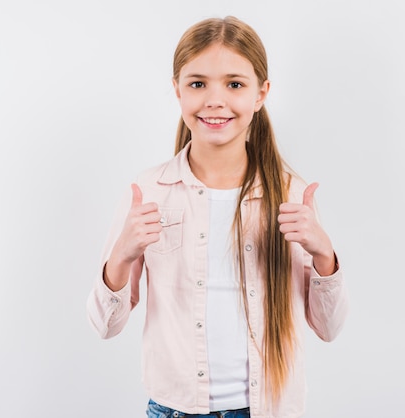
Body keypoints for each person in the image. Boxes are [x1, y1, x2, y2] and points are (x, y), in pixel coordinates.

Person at [87, 16, 349, 418]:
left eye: (234, 84)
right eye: (197, 84)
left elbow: (329, 329)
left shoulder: (291, 195)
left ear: (261, 93)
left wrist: (324, 256)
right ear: (176, 89)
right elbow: (105, 326)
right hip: (173, 410)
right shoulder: (149, 190)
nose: (214, 100)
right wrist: (120, 257)